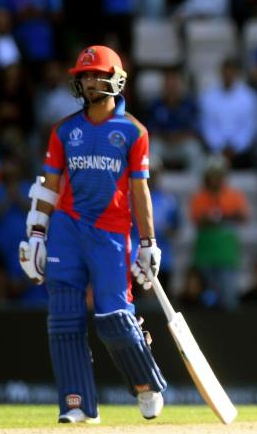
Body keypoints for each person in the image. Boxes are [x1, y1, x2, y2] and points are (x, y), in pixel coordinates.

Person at [17, 46, 166, 423]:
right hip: (67, 228)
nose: (88, 81)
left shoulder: (133, 131)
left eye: (96, 74)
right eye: (84, 76)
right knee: (64, 316)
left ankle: (145, 383)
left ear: (115, 79)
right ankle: (77, 403)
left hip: (111, 232)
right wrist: (37, 234)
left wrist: (148, 243)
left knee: (114, 317)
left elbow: (139, 190)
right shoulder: (65, 130)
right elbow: (49, 185)